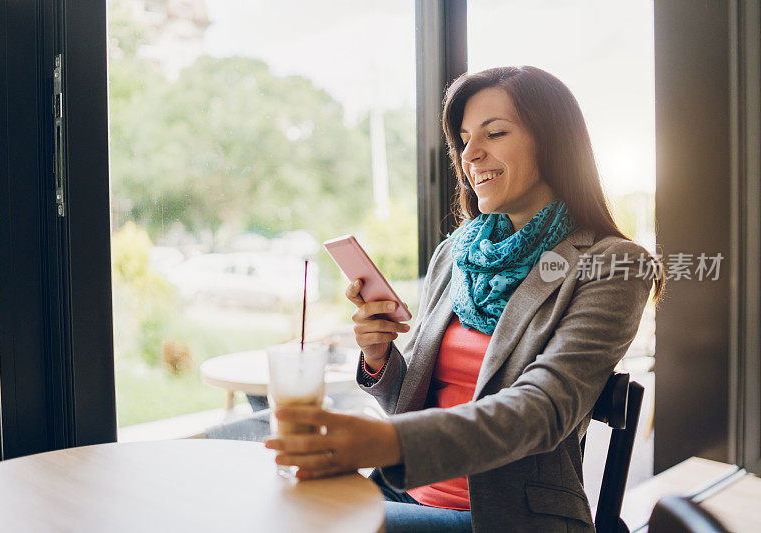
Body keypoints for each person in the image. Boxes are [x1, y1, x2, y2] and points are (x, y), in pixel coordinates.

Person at [263, 65, 666, 532]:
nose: (471, 154)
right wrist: (378, 356)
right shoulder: (457, 253)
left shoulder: (613, 263)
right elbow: (407, 407)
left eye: (494, 133)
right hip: (403, 490)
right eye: (465, 138)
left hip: (504, 517)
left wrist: (388, 441)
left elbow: (542, 409)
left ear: (553, 143)